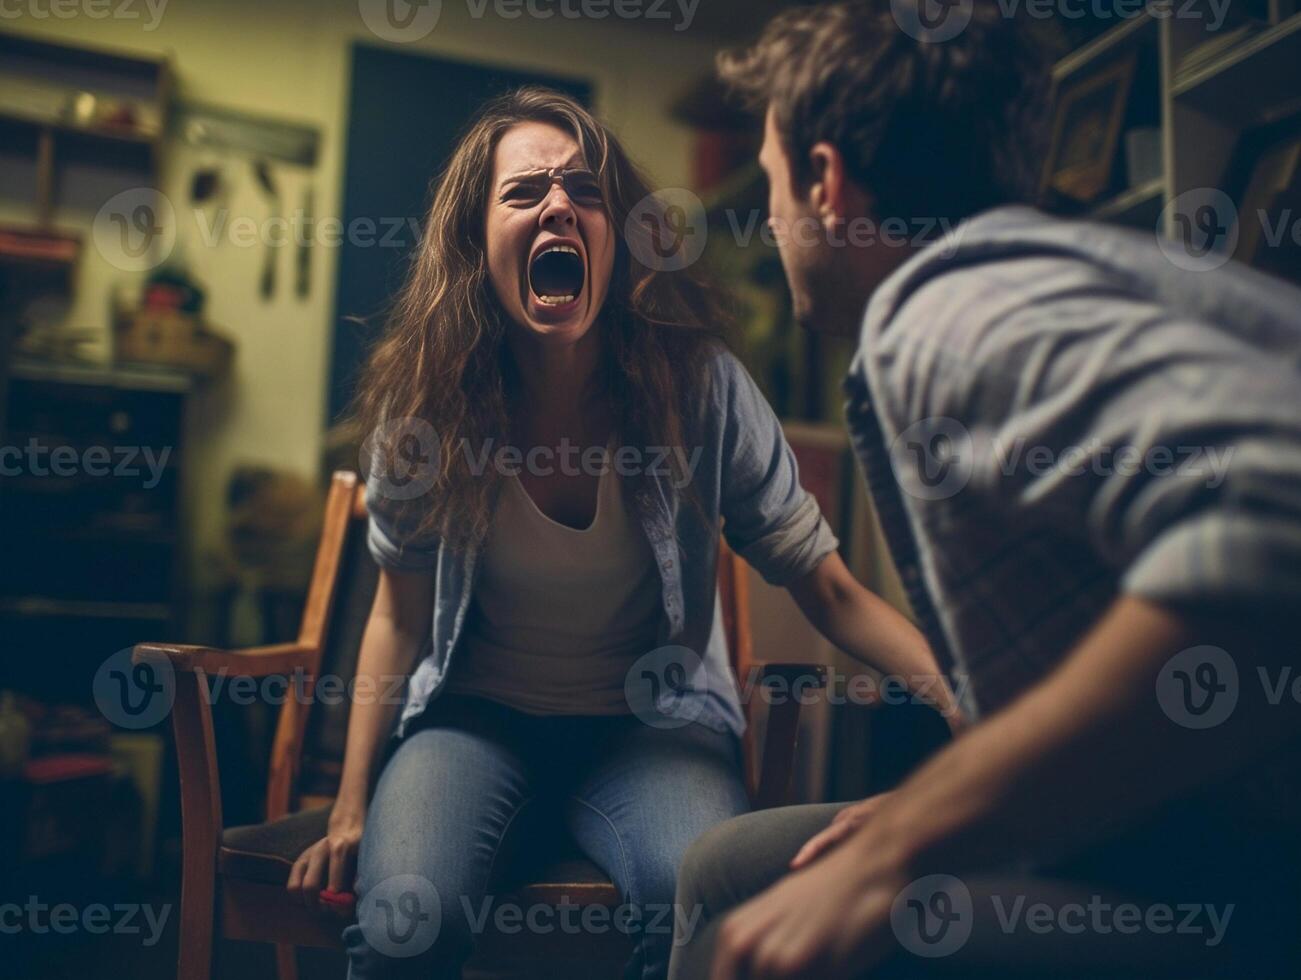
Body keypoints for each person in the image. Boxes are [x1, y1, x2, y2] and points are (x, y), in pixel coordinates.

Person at [669, 3, 1301, 978]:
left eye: (770, 184)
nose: (770, 219)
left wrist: (902, 840)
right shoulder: (1042, 276)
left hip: (1239, 875)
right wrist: (955, 799)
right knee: (725, 864)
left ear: (826, 183)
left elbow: (1271, 515)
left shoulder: (940, 315)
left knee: (737, 938)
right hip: (1176, 821)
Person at [283, 87, 953, 980]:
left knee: (705, 913)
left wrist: (961, 700)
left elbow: (825, 586)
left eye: (583, 190)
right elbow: (397, 620)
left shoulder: (700, 388)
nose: (558, 203)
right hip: (472, 723)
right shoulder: (423, 410)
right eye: (524, 193)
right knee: (410, 920)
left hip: (655, 731)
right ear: (474, 244)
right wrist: (350, 802)